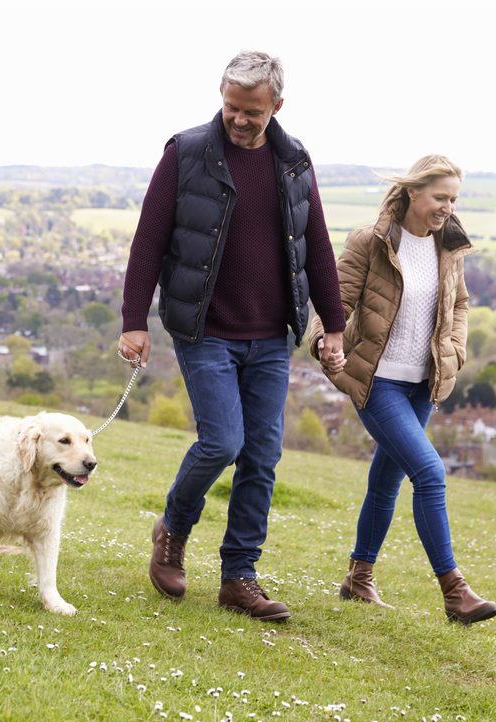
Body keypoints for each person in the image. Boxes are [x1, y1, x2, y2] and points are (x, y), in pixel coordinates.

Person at [118, 50, 346, 621]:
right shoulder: (187, 152)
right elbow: (148, 241)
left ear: (277, 106)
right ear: (221, 97)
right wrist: (133, 321)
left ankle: (239, 577)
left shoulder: (294, 160)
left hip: (271, 335)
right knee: (222, 442)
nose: (239, 120)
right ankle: (172, 530)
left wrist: (334, 326)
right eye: (231, 108)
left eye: (252, 112)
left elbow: (315, 247)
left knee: (262, 456)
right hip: (205, 329)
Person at [307, 154, 496, 625]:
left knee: (386, 481)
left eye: (453, 199)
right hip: (377, 382)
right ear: (413, 192)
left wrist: (454, 349)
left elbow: (460, 305)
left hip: (422, 385)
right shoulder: (369, 242)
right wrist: (322, 341)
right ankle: (455, 592)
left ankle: (358, 576)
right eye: (440, 197)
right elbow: (336, 300)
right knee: (430, 474)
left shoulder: (447, 247)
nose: (447, 208)